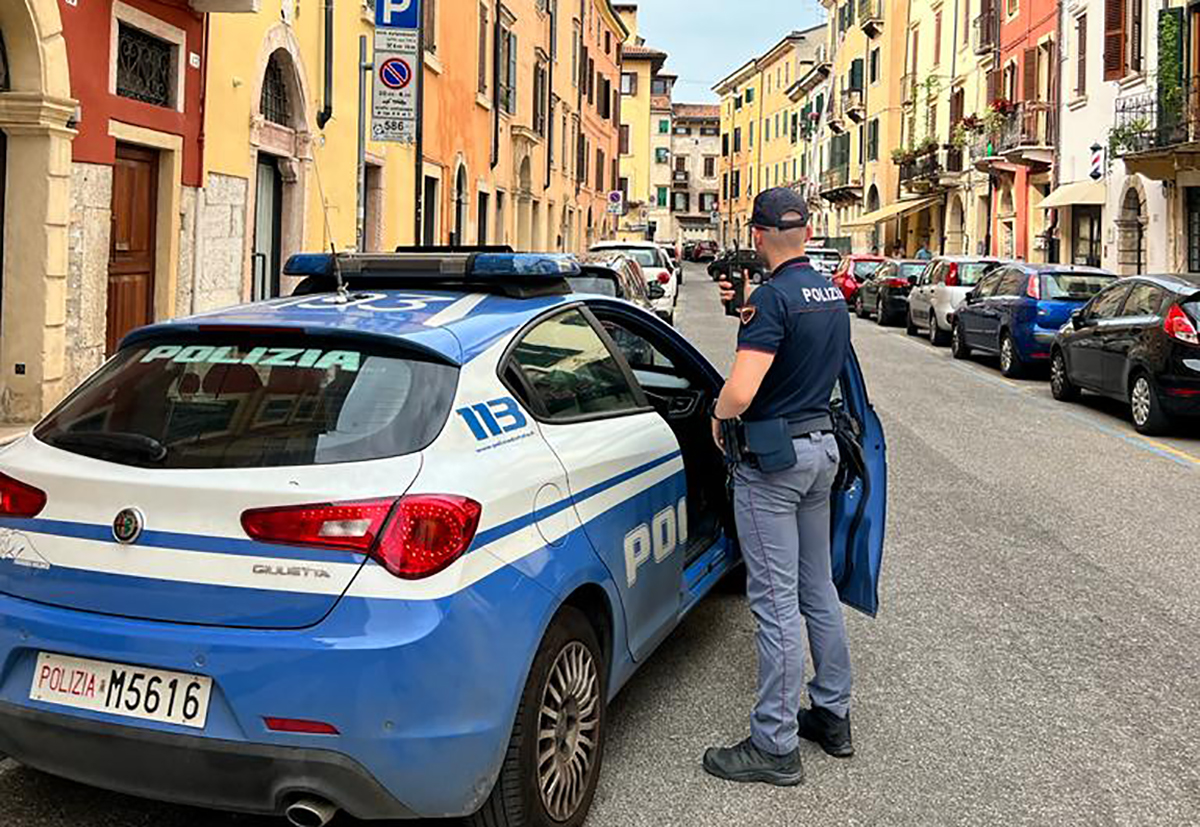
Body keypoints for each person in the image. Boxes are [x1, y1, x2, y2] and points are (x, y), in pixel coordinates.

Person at [705, 187, 855, 787]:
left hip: (774, 464)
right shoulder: (830, 294)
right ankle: (833, 714)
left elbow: (743, 391)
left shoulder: (770, 300)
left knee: (773, 603)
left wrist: (718, 412)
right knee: (817, 587)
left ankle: (774, 743)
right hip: (822, 452)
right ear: (807, 231)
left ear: (760, 235)